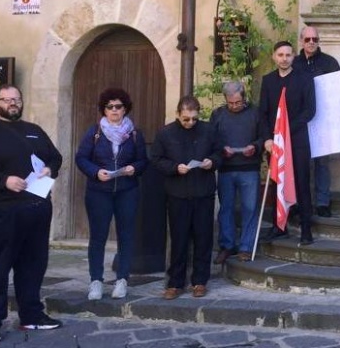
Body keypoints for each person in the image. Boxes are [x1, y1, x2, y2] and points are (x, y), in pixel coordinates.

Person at [0, 85, 63, 343]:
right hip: (2, 211)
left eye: (16, 99)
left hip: (37, 209)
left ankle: (32, 316)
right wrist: (4, 181)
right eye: (7, 99)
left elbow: (56, 158)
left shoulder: (34, 131)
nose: (12, 103)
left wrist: (49, 170)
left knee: (33, 266)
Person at [75, 88, 148, 300]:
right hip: (99, 191)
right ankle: (96, 281)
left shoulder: (135, 134)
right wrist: (96, 172)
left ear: (125, 109)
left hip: (127, 190)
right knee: (98, 237)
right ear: (104, 110)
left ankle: (122, 280)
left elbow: (143, 160)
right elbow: (81, 158)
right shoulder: (94, 132)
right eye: (110, 107)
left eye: (118, 106)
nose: (114, 110)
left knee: (126, 236)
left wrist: (134, 168)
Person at [151, 96, 221, 299]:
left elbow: (219, 153)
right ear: (177, 115)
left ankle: (200, 281)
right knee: (178, 240)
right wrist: (174, 168)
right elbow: (156, 159)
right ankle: (175, 283)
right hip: (177, 193)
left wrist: (212, 162)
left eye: (193, 119)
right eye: (186, 119)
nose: (190, 123)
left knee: (203, 238)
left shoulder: (208, 130)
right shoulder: (165, 133)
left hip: (203, 192)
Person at [259, 41, 317, 244]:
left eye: (288, 55)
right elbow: (263, 113)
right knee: (276, 183)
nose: (284, 59)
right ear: (274, 56)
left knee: (301, 183)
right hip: (274, 142)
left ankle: (306, 229)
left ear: (294, 57)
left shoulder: (305, 79)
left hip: (297, 140)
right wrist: (267, 138)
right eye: (280, 55)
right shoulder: (267, 81)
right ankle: (278, 226)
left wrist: (285, 132)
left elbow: (309, 111)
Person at [210, 81, 265, 264]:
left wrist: (255, 147)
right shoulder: (218, 114)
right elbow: (211, 139)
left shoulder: (255, 113)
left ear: (244, 98)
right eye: (230, 103)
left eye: (237, 102)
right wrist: (221, 149)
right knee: (226, 208)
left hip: (249, 168)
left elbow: (263, 136)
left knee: (250, 208)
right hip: (226, 168)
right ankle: (227, 245)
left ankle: (246, 247)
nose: (234, 106)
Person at [293, 25, 340, 218]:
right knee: (300, 164)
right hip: (299, 122)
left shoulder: (329, 62)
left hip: (323, 120)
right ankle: (299, 202)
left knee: (322, 163)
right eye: (307, 39)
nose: (311, 42)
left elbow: (339, 89)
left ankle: (322, 202)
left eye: (315, 39)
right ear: (301, 41)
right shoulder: (293, 63)